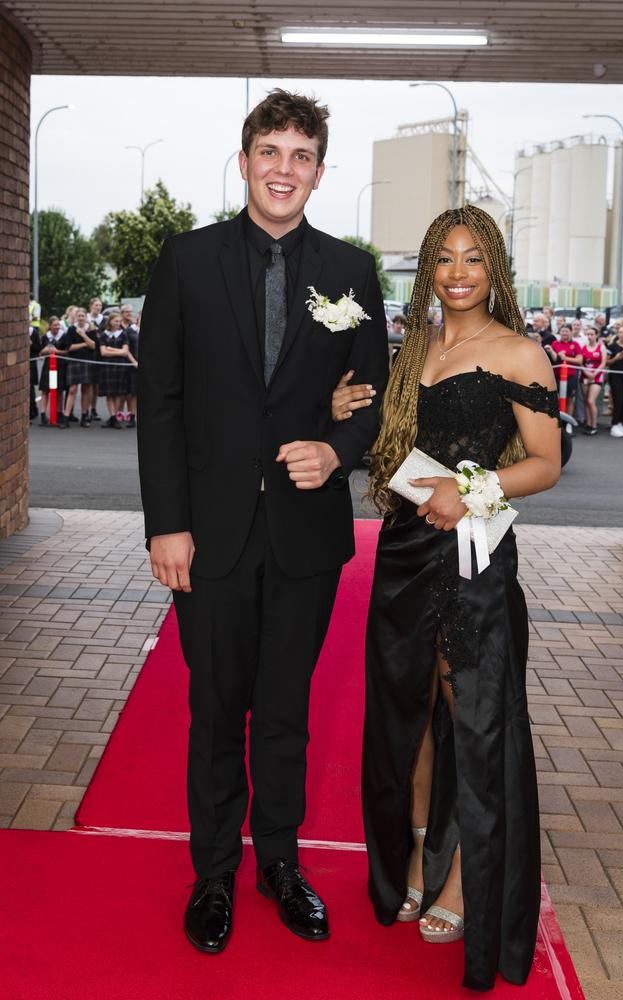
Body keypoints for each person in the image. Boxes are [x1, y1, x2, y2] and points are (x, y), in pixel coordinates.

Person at [137, 89, 388, 956]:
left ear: (320, 171)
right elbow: (160, 402)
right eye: (270, 151)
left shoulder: (353, 274)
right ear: (243, 162)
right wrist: (166, 524)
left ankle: (281, 863)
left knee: (286, 709)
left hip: (306, 536)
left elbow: (374, 399)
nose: (284, 169)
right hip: (205, 536)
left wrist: (338, 448)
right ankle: (213, 873)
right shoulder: (186, 260)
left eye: (302, 155)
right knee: (216, 711)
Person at [333, 205, 560, 991]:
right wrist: (342, 415)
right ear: (427, 267)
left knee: (473, 717)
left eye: (474, 259)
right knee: (409, 711)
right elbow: (394, 440)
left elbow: (546, 462)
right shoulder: (416, 347)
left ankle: (464, 881)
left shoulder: (520, 352)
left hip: (473, 554)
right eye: (444, 259)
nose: (458, 273)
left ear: (494, 268)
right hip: (402, 550)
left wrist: (474, 492)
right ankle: (419, 856)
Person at [62, 307, 99, 428]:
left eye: (83, 316)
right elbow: (70, 347)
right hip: (75, 361)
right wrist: (85, 344)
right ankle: (66, 416)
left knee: (86, 389)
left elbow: (94, 346)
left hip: (88, 361)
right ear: (76, 317)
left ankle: (84, 416)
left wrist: (83, 335)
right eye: (79, 316)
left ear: (86, 317)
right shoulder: (71, 329)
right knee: (72, 389)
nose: (81, 318)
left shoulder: (91, 329)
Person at [98, 312, 135, 428]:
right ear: (110, 321)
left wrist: (110, 348)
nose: (118, 323)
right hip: (107, 367)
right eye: (116, 321)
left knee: (119, 392)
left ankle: (115, 416)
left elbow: (125, 352)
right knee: (109, 393)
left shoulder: (123, 334)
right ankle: (113, 417)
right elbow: (103, 352)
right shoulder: (104, 335)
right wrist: (116, 351)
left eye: (119, 321)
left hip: (120, 366)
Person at [37, 317, 69, 427]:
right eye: (55, 325)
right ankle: (43, 415)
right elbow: (40, 352)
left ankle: (58, 413)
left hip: (60, 366)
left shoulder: (64, 336)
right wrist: (44, 351)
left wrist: (57, 351)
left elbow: (67, 351)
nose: (57, 327)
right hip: (48, 366)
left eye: (58, 325)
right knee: (45, 390)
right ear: (50, 326)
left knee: (59, 390)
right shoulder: (45, 337)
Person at [551, 324, 582, 431]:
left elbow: (579, 360)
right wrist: (552, 351)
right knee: (556, 398)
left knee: (569, 399)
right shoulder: (555, 343)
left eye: (567, 331)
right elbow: (554, 359)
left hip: (571, 375)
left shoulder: (575, 344)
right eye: (562, 331)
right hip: (557, 375)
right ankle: (557, 421)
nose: (564, 333)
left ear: (571, 332)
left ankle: (568, 423)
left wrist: (565, 357)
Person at [606, 325, 623, 437]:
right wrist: (616, 358)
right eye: (620, 332)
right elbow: (607, 362)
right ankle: (614, 424)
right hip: (615, 375)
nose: (622, 335)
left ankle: (621, 423)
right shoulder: (612, 346)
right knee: (618, 398)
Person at [579, 326, 607, 434]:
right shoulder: (584, 347)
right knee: (586, 401)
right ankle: (589, 424)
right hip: (585, 376)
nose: (590, 336)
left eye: (592, 334)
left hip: (597, 376)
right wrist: (586, 372)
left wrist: (594, 373)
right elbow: (581, 362)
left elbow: (603, 362)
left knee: (591, 400)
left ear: (596, 335)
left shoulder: (601, 347)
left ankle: (594, 426)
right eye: (588, 334)